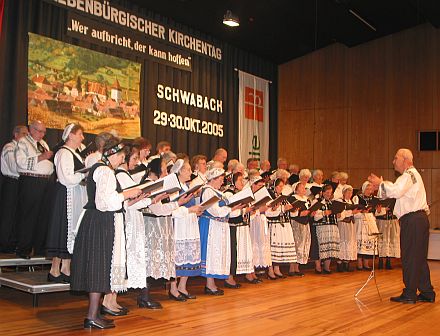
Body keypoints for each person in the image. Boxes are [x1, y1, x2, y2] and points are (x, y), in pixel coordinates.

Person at [71, 136, 141, 329]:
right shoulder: (105, 171)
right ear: (114, 154)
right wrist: (126, 194)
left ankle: (93, 315)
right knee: (98, 268)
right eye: (121, 156)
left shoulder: (104, 170)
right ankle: (92, 316)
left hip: (101, 221)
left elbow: (109, 200)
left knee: (100, 268)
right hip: (100, 223)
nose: (122, 160)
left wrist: (128, 199)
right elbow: (104, 203)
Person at [369, 148, 435, 304]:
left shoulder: (408, 175)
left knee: (411, 257)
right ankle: (426, 292)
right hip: (418, 220)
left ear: (405, 160)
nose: (393, 161)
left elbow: (397, 191)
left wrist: (381, 184)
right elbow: (396, 192)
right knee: (418, 257)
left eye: (395, 158)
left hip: (413, 220)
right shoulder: (411, 175)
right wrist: (381, 188)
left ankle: (410, 293)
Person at [46, 124, 87, 283]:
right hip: (65, 195)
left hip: (72, 195)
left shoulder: (73, 154)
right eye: (80, 134)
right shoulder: (64, 153)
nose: (82, 138)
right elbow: (66, 178)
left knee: (70, 230)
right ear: (70, 135)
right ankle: (54, 270)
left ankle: (66, 268)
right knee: (62, 229)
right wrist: (83, 175)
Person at [15, 121, 54, 259]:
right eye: (39, 131)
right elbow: (19, 162)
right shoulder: (23, 142)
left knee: (42, 215)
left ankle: (39, 247)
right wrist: (42, 157)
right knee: (29, 215)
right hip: (30, 180)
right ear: (31, 129)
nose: (42, 134)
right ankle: (23, 248)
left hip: (45, 181)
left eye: (44, 132)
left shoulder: (43, 143)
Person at [0, 125, 28, 253]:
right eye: (23, 133)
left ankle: (14, 242)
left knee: (19, 214)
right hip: (11, 182)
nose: (26, 137)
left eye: (27, 134)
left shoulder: (25, 149)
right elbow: (13, 167)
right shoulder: (9, 147)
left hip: (22, 183)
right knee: (8, 213)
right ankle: (4, 243)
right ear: (15, 134)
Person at [223, 172, 254, 288]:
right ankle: (229, 278)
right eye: (240, 180)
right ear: (233, 182)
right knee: (232, 252)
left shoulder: (239, 193)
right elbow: (230, 213)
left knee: (239, 252)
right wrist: (245, 210)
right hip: (232, 227)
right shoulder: (228, 194)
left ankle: (237, 275)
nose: (242, 182)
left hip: (241, 226)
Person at [352, 181, 379, 270]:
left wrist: (378, 210)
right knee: (361, 241)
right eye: (367, 188)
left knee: (369, 242)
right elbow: (354, 210)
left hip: (370, 221)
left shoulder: (373, 199)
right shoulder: (357, 198)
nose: (369, 190)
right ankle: (359, 263)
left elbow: (376, 212)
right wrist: (362, 211)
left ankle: (366, 263)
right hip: (361, 221)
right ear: (363, 188)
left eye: (371, 189)